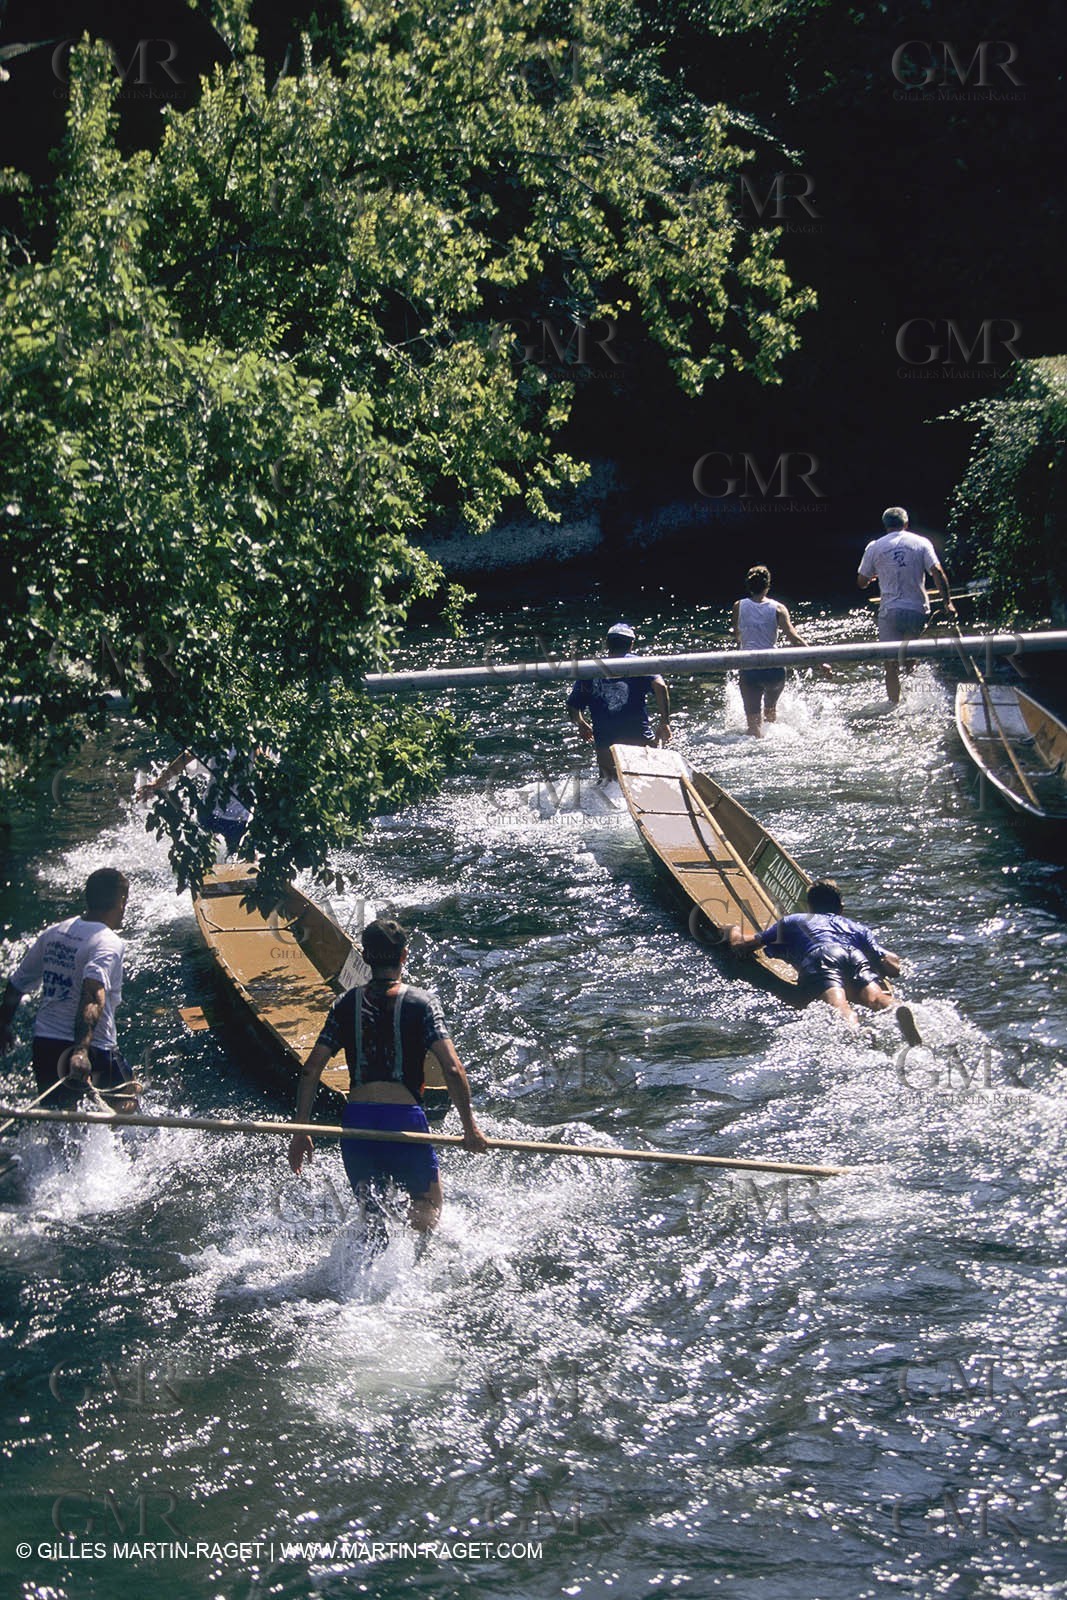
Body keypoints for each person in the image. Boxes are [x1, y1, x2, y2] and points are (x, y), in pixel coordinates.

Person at [288, 918, 487, 1233]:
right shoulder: (422, 1003)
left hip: (357, 1123)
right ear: (404, 955)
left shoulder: (345, 1004)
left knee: (372, 1221)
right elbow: (452, 1068)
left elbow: (312, 1069)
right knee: (426, 1211)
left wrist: (301, 1130)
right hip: (404, 1121)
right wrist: (470, 1129)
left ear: (365, 957)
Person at [0, 868, 134, 1094]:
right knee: (128, 1100)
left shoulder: (54, 933)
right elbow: (92, 995)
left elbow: (17, 983)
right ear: (121, 901)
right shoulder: (108, 942)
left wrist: (3, 1023)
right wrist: (81, 1051)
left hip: (45, 1044)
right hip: (93, 1047)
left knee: (56, 1111)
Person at [726, 878, 905, 1030]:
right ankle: (898, 1010)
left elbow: (742, 945)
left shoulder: (794, 920)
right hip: (855, 954)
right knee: (876, 997)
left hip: (822, 954)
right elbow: (892, 964)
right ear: (841, 908)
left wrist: (732, 931)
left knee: (838, 1004)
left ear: (809, 906)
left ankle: (855, 1032)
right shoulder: (857, 928)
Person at [857, 507, 957, 705]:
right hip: (916, 609)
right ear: (906, 524)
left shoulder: (875, 547)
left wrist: (872, 576)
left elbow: (861, 582)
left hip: (889, 611)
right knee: (911, 658)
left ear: (885, 525)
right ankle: (916, 702)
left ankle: (894, 705)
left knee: (890, 664)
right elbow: (937, 571)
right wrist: (948, 602)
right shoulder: (921, 542)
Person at [732, 565, 831, 737]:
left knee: (753, 726)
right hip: (774, 669)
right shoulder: (778, 608)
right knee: (770, 716)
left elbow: (738, 635)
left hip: (749, 667)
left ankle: (756, 747)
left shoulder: (738, 606)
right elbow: (795, 639)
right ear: (768, 585)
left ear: (748, 585)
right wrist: (819, 662)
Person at [567, 622, 672, 781]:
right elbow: (660, 686)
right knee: (649, 781)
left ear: (607, 644)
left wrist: (581, 723)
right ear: (631, 644)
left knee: (607, 783)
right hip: (639, 737)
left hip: (606, 743)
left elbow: (573, 705)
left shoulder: (591, 669)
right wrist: (664, 722)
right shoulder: (640, 664)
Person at [138, 747, 253, 853]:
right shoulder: (217, 740)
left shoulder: (254, 743)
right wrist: (157, 783)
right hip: (210, 812)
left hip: (240, 818)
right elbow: (187, 756)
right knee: (205, 856)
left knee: (238, 858)